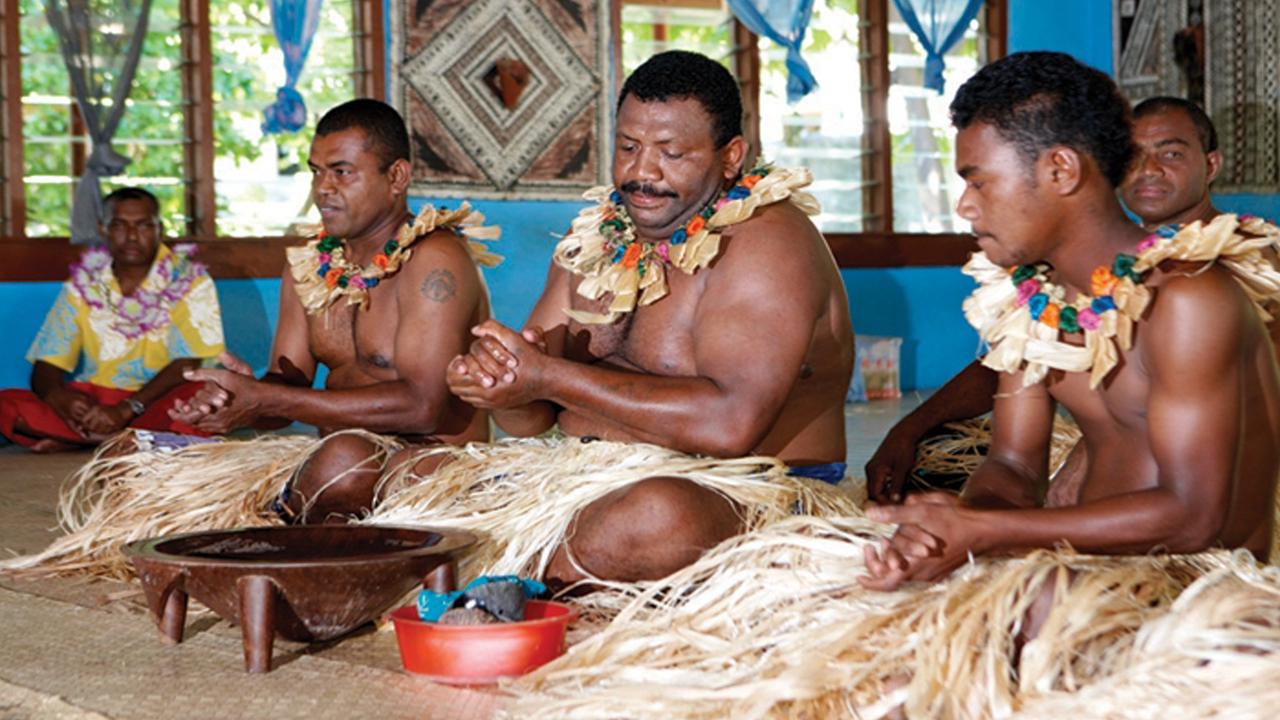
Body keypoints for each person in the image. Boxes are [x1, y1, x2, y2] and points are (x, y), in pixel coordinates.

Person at [859, 51, 1280, 592]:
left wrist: (985, 531)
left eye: (979, 182)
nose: (964, 206)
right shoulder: (1036, 302)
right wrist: (946, 537)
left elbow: (1195, 517)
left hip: (1194, 589)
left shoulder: (1189, 299)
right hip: (1083, 568)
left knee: (1033, 608)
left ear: (1060, 170)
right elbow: (1012, 466)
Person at [445, 50, 856, 583]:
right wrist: (503, 384)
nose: (642, 172)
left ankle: (501, 584)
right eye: (629, 147)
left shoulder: (767, 240)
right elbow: (531, 418)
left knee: (658, 515)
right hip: (592, 477)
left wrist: (547, 375)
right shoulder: (595, 237)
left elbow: (730, 424)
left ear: (730, 157)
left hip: (752, 493)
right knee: (428, 470)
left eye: (672, 153)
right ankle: (514, 579)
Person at [169, 98, 499, 521]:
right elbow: (288, 387)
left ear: (396, 176)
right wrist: (240, 397)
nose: (322, 188)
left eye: (341, 172)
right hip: (339, 461)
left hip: (431, 468)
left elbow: (424, 405)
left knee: (344, 459)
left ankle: (278, 536)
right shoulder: (311, 266)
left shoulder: (435, 260)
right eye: (316, 171)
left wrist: (269, 398)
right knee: (159, 463)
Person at [0, 187, 224, 453]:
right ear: (103, 229)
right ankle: (124, 440)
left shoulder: (190, 280)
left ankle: (90, 440)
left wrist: (128, 408)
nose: (131, 236)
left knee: (204, 403)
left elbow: (190, 362)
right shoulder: (84, 283)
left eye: (143, 225)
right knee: (7, 403)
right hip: (98, 402)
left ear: (159, 229)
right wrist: (58, 397)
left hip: (160, 399)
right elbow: (47, 362)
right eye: (119, 225)